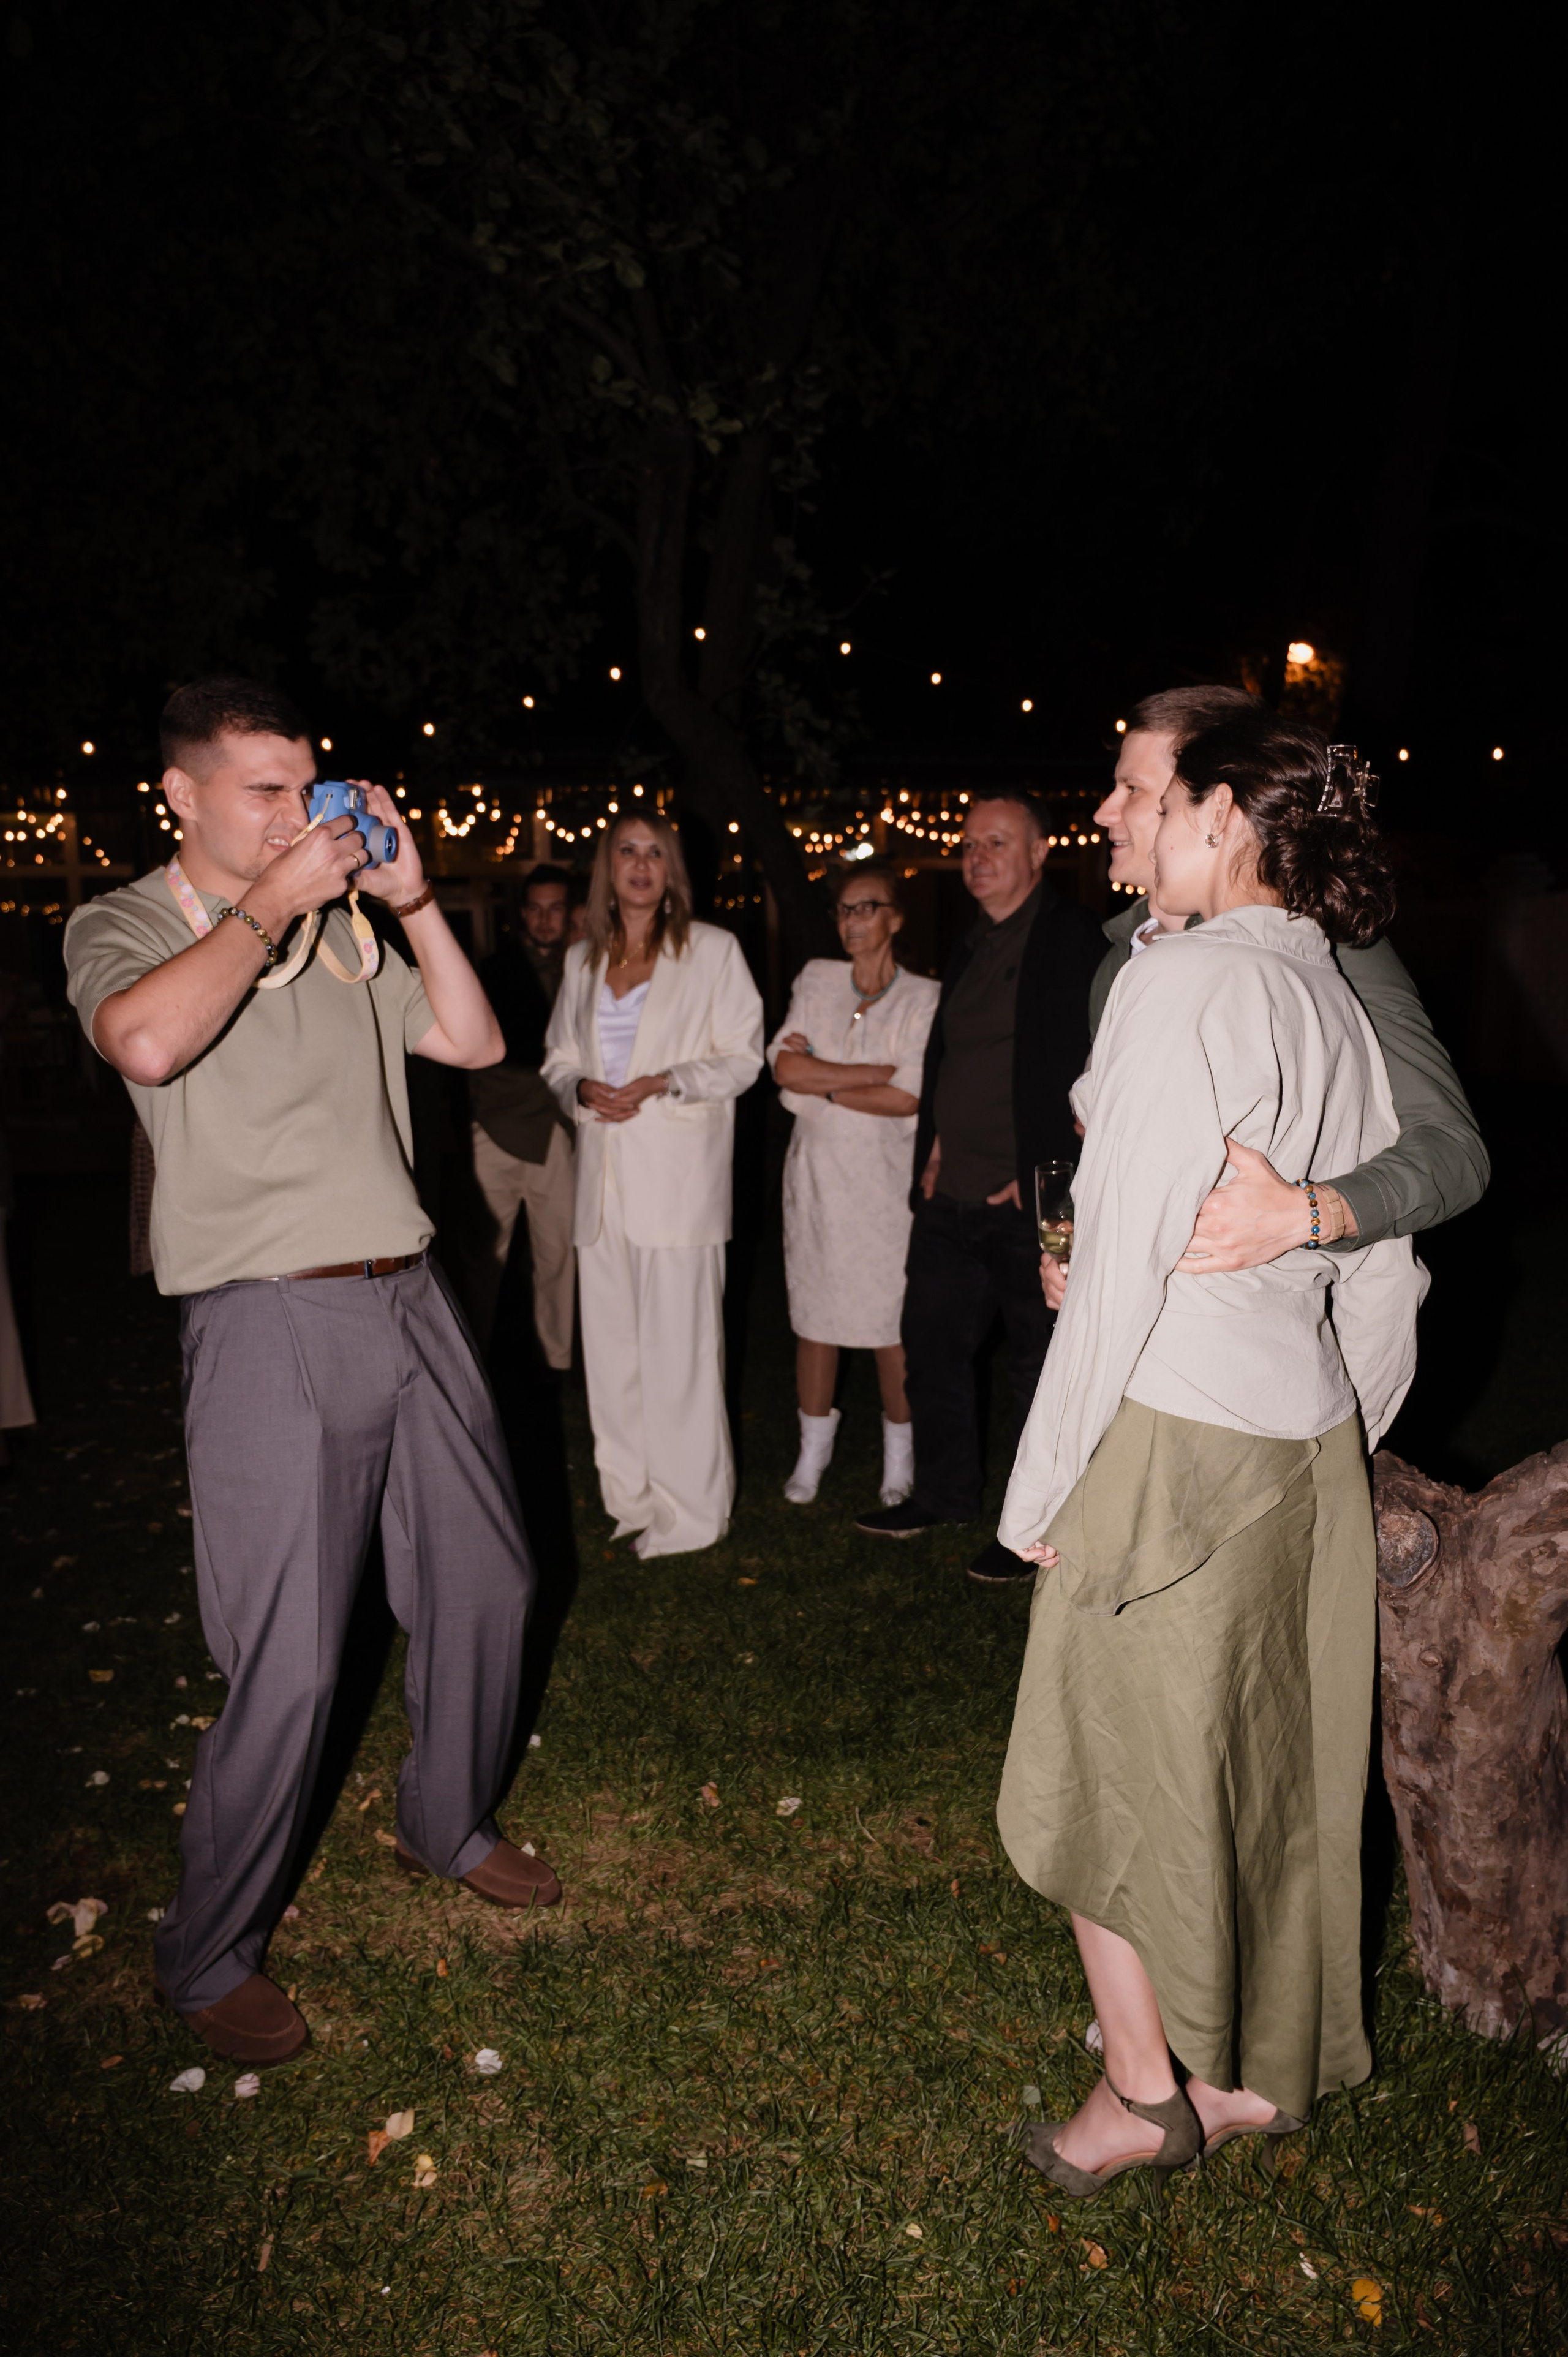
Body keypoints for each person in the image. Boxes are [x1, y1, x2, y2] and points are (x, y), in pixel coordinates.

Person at [62, 677, 560, 2070]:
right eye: (263, 789)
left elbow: (470, 1042)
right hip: (267, 1320)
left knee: (488, 1579)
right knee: (288, 1659)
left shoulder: (342, 924)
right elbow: (145, 1040)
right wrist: (271, 901)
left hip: (405, 1291)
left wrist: (405, 900)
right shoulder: (122, 923)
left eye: (307, 782)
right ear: (183, 794)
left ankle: (442, 1816)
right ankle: (206, 1946)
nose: (299, 809)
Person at [995, 710, 1427, 2198]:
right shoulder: (1323, 996)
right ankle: (1249, 2075)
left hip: (1172, 1430)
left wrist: (1040, 1483)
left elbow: (1114, 1264)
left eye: (1149, 796)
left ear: (1226, 812)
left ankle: (1135, 2092)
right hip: (1297, 1439)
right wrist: (1339, 1432)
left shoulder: (1179, 986)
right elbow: (1386, 1268)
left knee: (1091, 1768)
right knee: (1265, 1768)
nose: (1128, 822)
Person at [1082, 685, 1488, 1273]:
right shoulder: (1120, 958)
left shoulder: (1321, 944)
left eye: (1135, 790)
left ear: (1215, 800)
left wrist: (1312, 1213)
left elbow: (1454, 1150)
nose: (1104, 811)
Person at [853, 791, 1104, 1581]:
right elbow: (948, 1059)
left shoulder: (1078, 942)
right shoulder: (968, 944)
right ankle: (944, 1492)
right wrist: (930, 1147)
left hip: (1044, 1197)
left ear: (1038, 853)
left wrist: (1033, 1179)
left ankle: (1032, 1529)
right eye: (969, 844)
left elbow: (1094, 1072)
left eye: (998, 842)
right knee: (929, 1346)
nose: (977, 856)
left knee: (1043, 1363)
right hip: (949, 1192)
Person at [541, 813, 763, 1558]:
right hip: (600, 1190)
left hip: (678, 1186)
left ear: (673, 870)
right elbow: (556, 1057)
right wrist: (578, 1088)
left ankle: (692, 1514)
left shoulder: (714, 951)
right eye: (627, 851)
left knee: (682, 1356)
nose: (640, 864)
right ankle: (630, 1498)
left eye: (655, 853)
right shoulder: (581, 960)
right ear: (608, 867)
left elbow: (743, 1057)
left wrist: (666, 1080)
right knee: (612, 1358)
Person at [767, 863, 940, 1506]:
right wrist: (859, 1073)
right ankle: (812, 1454)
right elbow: (783, 1066)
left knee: (890, 1324)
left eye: (866, 908)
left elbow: (905, 1096)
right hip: (814, 1181)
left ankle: (900, 1458)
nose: (852, 921)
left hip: (884, 1188)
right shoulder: (816, 979)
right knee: (815, 1315)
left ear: (895, 917)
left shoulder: (925, 996)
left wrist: (822, 1078)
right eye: (843, 909)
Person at [467, 863, 576, 1366]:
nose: (544, 920)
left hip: (557, 1133)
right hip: (496, 1128)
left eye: (555, 909)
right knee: (484, 1261)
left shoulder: (588, 970)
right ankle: (471, 1360)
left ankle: (557, 1359)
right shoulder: (493, 971)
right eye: (535, 908)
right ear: (522, 913)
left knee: (559, 1256)